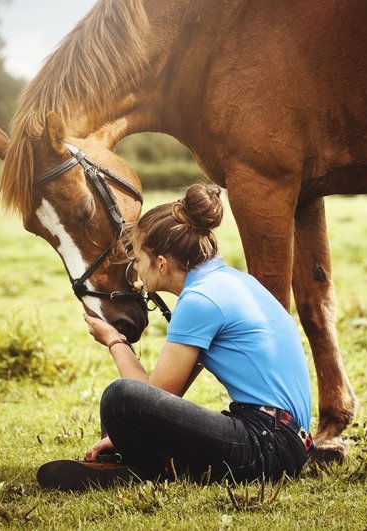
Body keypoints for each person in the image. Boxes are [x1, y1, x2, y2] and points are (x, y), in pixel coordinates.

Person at [36, 184, 313, 490]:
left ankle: (140, 467)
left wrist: (115, 341)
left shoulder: (200, 300)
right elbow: (165, 400)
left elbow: (146, 396)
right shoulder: (229, 281)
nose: (135, 270)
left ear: (162, 263)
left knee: (119, 397)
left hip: (268, 443)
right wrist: (117, 434)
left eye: (138, 259)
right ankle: (138, 466)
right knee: (126, 401)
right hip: (285, 441)